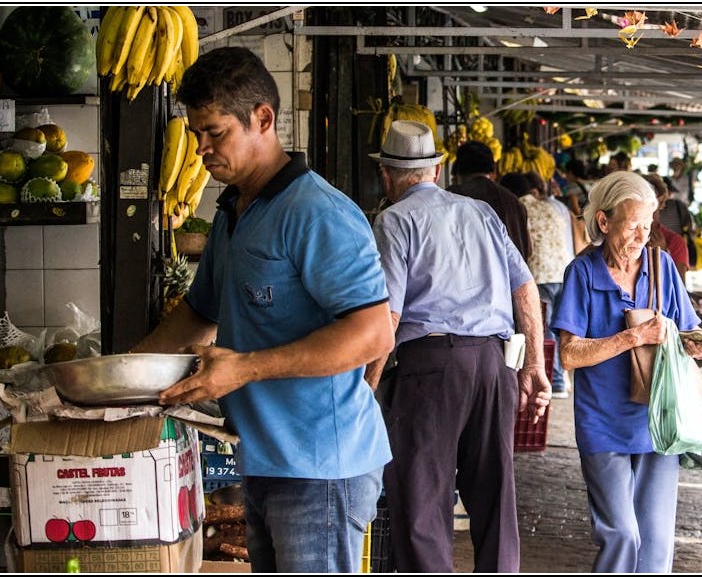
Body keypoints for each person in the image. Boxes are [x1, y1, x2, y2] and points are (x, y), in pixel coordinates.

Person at [129, 47, 395, 574]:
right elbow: (196, 313)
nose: (201, 148)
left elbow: (373, 334)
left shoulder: (317, 213)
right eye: (195, 134)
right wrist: (116, 378)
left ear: (263, 119)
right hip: (264, 458)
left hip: (321, 467)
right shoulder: (233, 212)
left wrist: (244, 369)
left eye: (215, 132)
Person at [366, 120, 551, 573]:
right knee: (495, 496)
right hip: (493, 364)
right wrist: (535, 364)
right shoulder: (481, 213)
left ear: (387, 176)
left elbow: (388, 316)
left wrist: (365, 389)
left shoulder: (393, 219)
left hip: (430, 368)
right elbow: (526, 289)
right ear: (435, 170)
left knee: (422, 504)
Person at [551, 170, 702, 573]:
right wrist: (632, 337)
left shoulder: (661, 267)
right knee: (621, 533)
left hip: (659, 420)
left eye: (647, 224)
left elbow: (688, 330)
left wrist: (699, 345)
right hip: (602, 424)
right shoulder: (583, 274)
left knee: (657, 542)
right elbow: (570, 355)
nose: (642, 235)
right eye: (632, 225)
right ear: (604, 222)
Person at [501, 171, 575, 398]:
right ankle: (562, 378)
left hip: (539, 276)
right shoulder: (551, 207)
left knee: (541, 332)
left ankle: (557, 382)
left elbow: (526, 249)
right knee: (560, 328)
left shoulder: (517, 209)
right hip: (563, 272)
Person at [449, 140, 532, 261]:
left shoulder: (452, 196)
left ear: (457, 170)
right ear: (493, 170)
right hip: (513, 278)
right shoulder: (514, 201)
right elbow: (528, 250)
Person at [643, 173, 689, 278]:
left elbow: (679, 289)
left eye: (653, 205)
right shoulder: (627, 238)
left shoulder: (674, 242)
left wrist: (663, 254)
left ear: (662, 203)